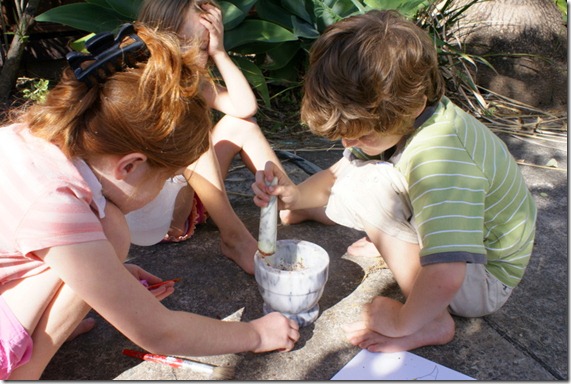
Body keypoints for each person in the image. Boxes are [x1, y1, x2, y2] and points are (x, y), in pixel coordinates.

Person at [0, 24, 299, 380]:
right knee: (113, 227)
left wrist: (113, 276)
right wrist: (256, 334)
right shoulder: (57, 205)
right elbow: (158, 332)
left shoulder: (29, 139)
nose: (161, 190)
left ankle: (35, 336)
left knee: (110, 230)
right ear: (130, 165)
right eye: (165, 177)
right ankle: (20, 374)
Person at [252, 9, 536, 353]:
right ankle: (395, 240)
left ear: (410, 107)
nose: (347, 144)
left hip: (483, 278)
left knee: (367, 188)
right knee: (356, 177)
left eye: (362, 135)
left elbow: (447, 273)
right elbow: (340, 171)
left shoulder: (441, 160)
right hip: (464, 245)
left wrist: (405, 321)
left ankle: (433, 320)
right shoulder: (404, 118)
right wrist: (295, 196)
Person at [131, 0, 286, 275]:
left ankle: (289, 198)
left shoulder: (192, 79)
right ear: (163, 38)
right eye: (195, 45)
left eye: (205, 45)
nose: (200, 52)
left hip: (193, 201)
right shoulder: (139, 84)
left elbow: (244, 107)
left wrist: (220, 52)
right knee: (194, 130)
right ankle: (233, 236)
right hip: (161, 219)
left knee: (242, 126)